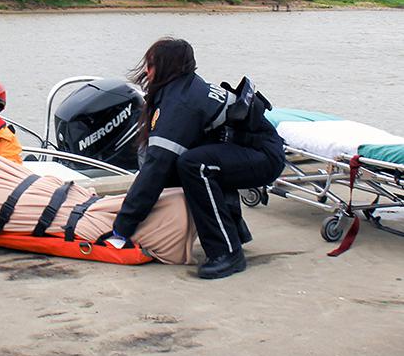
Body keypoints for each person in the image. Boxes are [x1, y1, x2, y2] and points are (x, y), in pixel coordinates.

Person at [109, 38, 285, 279]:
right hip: (253, 149)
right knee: (190, 163)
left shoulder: (180, 102)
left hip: (263, 155)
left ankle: (227, 253)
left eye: (150, 65)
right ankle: (234, 233)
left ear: (164, 67)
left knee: (196, 165)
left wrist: (122, 227)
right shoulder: (184, 88)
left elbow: (155, 167)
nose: (147, 72)